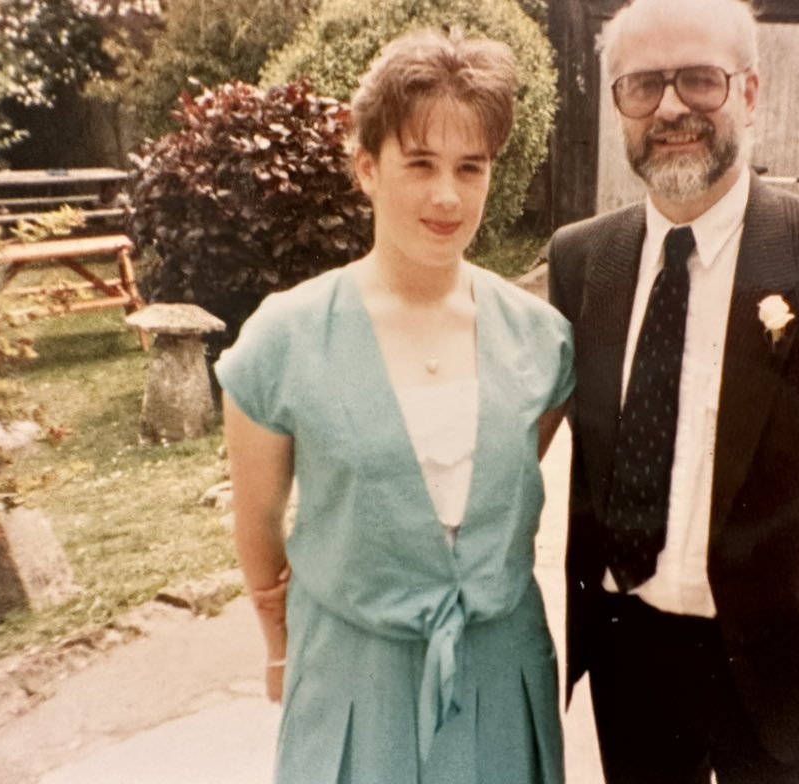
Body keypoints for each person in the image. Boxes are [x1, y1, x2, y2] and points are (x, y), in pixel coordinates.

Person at [546, 0, 799, 782]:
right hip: (630, 651)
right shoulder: (580, 261)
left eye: (700, 80)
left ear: (751, 94)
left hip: (778, 654)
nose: (670, 107)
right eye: (642, 86)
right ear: (619, 104)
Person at [216, 28, 574, 784]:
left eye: (469, 167)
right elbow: (259, 530)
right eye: (419, 164)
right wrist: (281, 648)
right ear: (367, 168)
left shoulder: (541, 339)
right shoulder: (286, 337)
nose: (447, 195)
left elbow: (487, 497)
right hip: (354, 676)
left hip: (500, 669)